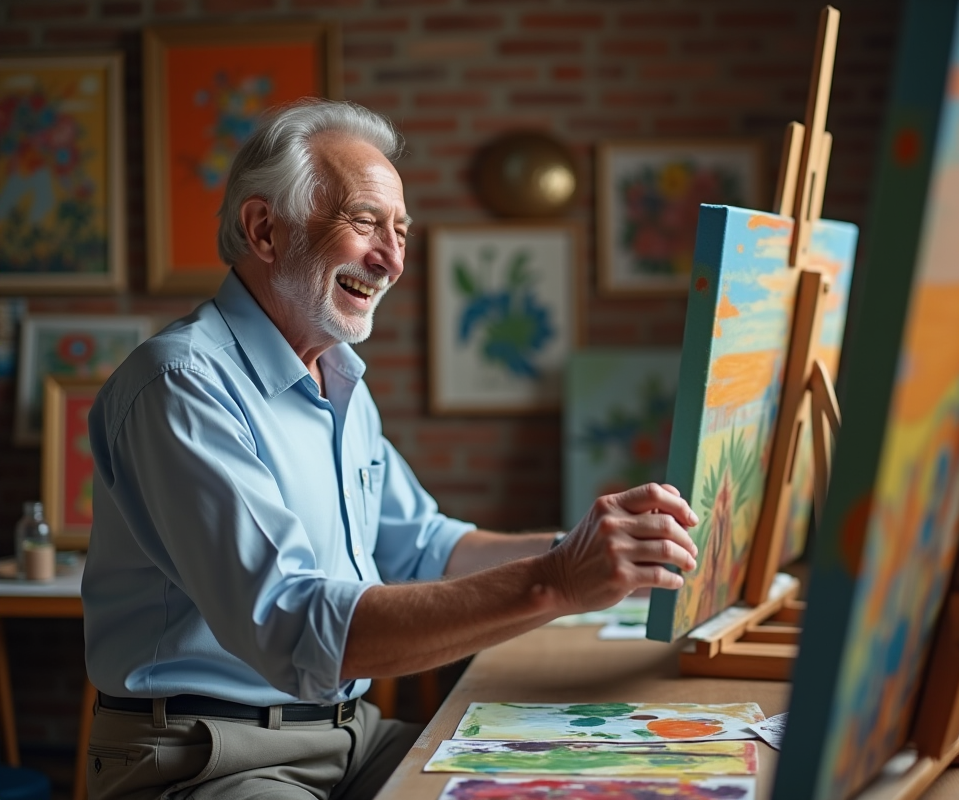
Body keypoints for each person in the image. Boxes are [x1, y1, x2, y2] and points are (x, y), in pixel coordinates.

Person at [82, 98, 699, 800]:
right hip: (211, 755)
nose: (392, 258)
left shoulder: (338, 375)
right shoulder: (181, 384)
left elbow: (427, 547)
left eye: (401, 231)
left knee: (550, 782)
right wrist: (559, 579)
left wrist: (596, 548)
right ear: (264, 230)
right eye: (366, 223)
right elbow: (297, 628)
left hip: (351, 732)